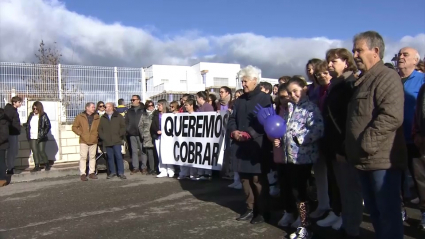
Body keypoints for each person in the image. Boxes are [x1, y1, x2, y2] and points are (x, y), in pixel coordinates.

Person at [346, 31, 407, 239]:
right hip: (365, 160)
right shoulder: (363, 80)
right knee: (376, 215)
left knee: (388, 215)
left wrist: (365, 144)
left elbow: (391, 116)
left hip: (382, 161)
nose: (354, 54)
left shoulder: (386, 77)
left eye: (359, 50)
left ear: (376, 51)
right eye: (354, 50)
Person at [274, 77, 324, 239]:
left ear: (304, 89)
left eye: (296, 91)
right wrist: (281, 138)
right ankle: (303, 224)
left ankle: (305, 226)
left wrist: (299, 138)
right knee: (295, 191)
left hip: (303, 157)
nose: (293, 95)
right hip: (290, 157)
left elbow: (318, 129)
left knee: (300, 191)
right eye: (290, 92)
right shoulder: (290, 109)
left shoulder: (310, 108)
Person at [321, 48, 363, 238]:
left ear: (346, 62)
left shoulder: (349, 85)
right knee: (342, 189)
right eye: (328, 62)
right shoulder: (336, 85)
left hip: (343, 148)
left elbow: (349, 120)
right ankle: (347, 223)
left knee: (350, 191)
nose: (329, 65)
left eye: (334, 61)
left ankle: (352, 229)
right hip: (334, 147)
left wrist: (342, 148)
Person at [228, 65, 272, 225]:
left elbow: (266, 121)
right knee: (245, 179)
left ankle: (263, 210)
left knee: (257, 179)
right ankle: (250, 208)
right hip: (240, 146)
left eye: (245, 81)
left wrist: (249, 134)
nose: (243, 84)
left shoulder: (265, 99)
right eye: (242, 81)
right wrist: (234, 132)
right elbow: (231, 119)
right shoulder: (239, 100)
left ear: (255, 80)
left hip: (257, 145)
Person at [397, 47, 425, 209]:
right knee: (395, 178)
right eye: (399, 54)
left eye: (405, 54)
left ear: (415, 60)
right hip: (394, 139)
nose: (401, 57)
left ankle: (423, 213)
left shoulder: (422, 80)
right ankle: (399, 209)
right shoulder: (392, 79)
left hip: (415, 138)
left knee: (420, 179)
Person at [72, 102, 100, 181]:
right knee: (83, 157)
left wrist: (96, 135)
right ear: (87, 108)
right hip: (83, 140)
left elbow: (99, 128)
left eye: (94, 107)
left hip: (93, 140)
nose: (94, 108)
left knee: (92, 157)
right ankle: (83, 174)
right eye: (92, 107)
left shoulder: (97, 117)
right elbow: (74, 127)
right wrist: (80, 133)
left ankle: (91, 173)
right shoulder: (80, 117)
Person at [98, 102, 127, 179]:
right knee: (110, 157)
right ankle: (112, 172)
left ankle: (120, 173)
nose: (106, 108)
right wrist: (103, 137)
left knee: (118, 156)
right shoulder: (103, 118)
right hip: (107, 141)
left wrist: (119, 135)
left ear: (112, 107)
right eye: (105, 107)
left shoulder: (118, 116)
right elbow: (100, 129)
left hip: (116, 140)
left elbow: (123, 127)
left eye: (108, 106)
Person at [191, 91, 215, 180]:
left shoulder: (208, 107)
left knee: (206, 154)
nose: (196, 99)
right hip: (200, 134)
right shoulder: (199, 107)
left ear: (201, 98)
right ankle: (201, 173)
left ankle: (207, 173)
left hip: (206, 135)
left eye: (197, 97)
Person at [150, 99, 175, 178]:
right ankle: (163, 170)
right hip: (159, 137)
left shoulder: (170, 114)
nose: (158, 107)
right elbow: (152, 125)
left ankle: (170, 170)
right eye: (158, 105)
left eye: (159, 105)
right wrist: (157, 130)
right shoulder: (155, 114)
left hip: (168, 137)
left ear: (164, 105)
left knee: (168, 153)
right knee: (160, 154)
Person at [412, 83, 425, 229]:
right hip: (421, 143)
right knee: (421, 181)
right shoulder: (423, 88)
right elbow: (418, 112)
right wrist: (416, 133)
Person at [26, 101, 51, 172]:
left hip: (41, 136)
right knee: (35, 151)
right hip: (32, 136)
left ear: (39, 108)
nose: (35, 110)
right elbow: (28, 125)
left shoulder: (43, 115)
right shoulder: (31, 115)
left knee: (41, 151)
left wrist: (43, 133)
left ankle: (46, 164)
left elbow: (48, 125)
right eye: (33, 109)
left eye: (36, 109)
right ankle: (37, 165)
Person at [126, 95, 148, 175]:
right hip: (132, 133)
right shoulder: (129, 111)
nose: (132, 101)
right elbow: (127, 121)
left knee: (143, 151)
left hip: (141, 133)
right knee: (134, 151)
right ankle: (135, 167)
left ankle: (144, 167)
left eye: (133, 100)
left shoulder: (143, 110)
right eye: (131, 100)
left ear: (138, 100)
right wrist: (128, 129)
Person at [178, 99, 197, 180]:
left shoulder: (197, 115)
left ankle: (193, 174)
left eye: (186, 105)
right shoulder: (183, 115)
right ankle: (184, 173)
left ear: (191, 105)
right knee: (184, 156)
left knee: (193, 156)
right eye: (185, 105)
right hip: (185, 139)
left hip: (193, 139)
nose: (185, 107)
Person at [138, 100, 157, 175]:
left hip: (155, 135)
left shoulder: (156, 113)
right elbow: (140, 126)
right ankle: (152, 169)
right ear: (146, 106)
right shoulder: (144, 115)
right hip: (147, 137)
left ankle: (157, 168)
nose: (151, 107)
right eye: (149, 105)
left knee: (156, 153)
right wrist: (143, 134)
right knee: (150, 153)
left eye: (152, 105)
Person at [4, 96, 22, 175]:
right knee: (12, 152)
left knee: (14, 151)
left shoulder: (13, 110)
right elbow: (7, 122)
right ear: (14, 103)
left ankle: (11, 167)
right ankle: (10, 168)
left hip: (14, 133)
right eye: (19, 102)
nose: (20, 103)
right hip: (11, 133)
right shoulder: (10, 110)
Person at [0, 108, 9, 187]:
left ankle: (2, 179)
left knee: (1, 162)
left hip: (2, 145)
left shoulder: (3, 122)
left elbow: (4, 135)